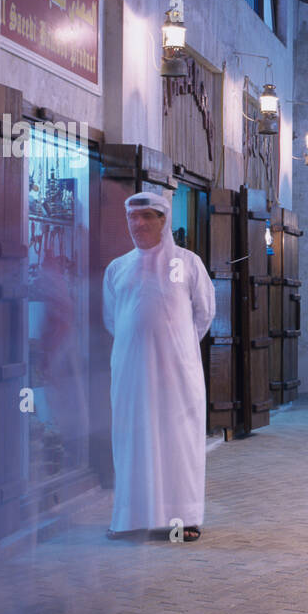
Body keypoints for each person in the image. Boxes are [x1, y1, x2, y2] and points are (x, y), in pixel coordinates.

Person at [103, 191, 214, 541]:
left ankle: (183, 519)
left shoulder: (188, 264)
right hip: (131, 374)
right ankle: (131, 519)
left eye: (146, 217)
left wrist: (175, 347)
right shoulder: (118, 268)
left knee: (178, 441)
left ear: (163, 221)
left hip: (177, 375)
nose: (138, 224)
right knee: (131, 439)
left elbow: (204, 313)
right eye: (132, 218)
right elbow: (112, 319)